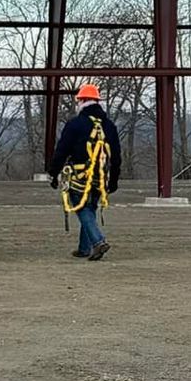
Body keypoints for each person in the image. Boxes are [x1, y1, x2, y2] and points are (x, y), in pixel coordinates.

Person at [49, 82, 117, 260]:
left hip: (79, 176)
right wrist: (114, 180)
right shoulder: (109, 126)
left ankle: (98, 241)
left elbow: (62, 150)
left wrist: (53, 172)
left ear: (83, 101)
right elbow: (116, 155)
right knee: (91, 208)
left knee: (82, 209)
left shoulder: (75, 124)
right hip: (101, 176)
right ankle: (84, 248)